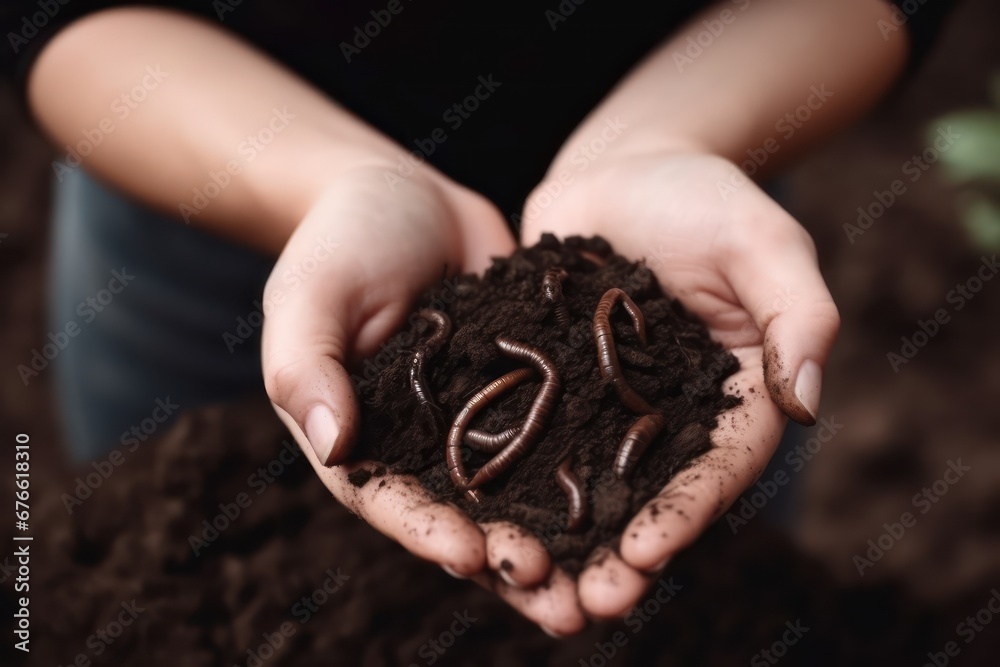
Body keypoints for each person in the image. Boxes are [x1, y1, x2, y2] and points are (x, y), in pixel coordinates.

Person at [3, 0, 951, 636]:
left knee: (691, 612)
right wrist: (330, 180)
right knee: (189, 580)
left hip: (694, 187)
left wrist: (671, 136)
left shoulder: (655, 303)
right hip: (187, 162)